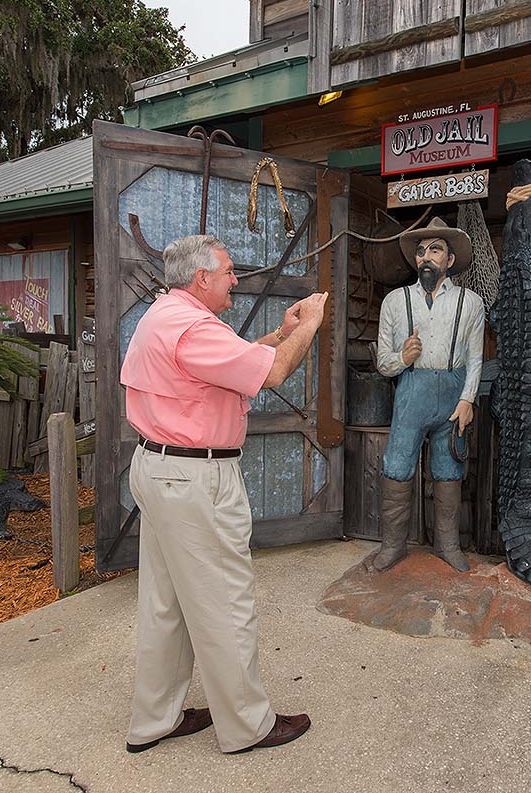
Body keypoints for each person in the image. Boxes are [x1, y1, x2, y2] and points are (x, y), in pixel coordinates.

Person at [119, 234, 328, 753]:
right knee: (226, 603)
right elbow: (275, 371)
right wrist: (310, 328)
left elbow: (238, 360)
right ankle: (248, 726)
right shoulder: (192, 326)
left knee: (165, 604)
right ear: (201, 278)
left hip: (161, 471)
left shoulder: (166, 316)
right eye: (229, 271)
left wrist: (281, 331)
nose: (236, 279)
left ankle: (156, 719)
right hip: (194, 481)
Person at [367, 216, 485, 573]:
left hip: (453, 389)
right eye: (420, 251)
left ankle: (447, 545)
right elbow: (385, 364)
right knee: (397, 465)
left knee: (449, 467)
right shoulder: (394, 301)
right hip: (412, 390)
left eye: (435, 250)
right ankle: (393, 547)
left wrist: (468, 400)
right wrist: (403, 357)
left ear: (450, 260)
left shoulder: (471, 302)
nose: (426, 257)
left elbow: (477, 358)